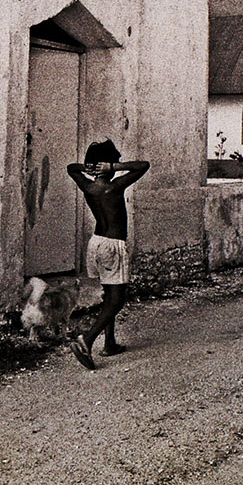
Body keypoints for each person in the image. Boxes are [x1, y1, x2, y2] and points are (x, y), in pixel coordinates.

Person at [66, 139, 149, 370]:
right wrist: (112, 168)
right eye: (115, 161)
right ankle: (87, 340)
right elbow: (143, 165)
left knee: (108, 293)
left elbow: (71, 168)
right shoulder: (114, 186)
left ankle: (110, 342)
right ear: (108, 164)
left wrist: (89, 167)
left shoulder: (88, 187)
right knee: (117, 299)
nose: (118, 164)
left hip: (96, 243)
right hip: (113, 245)